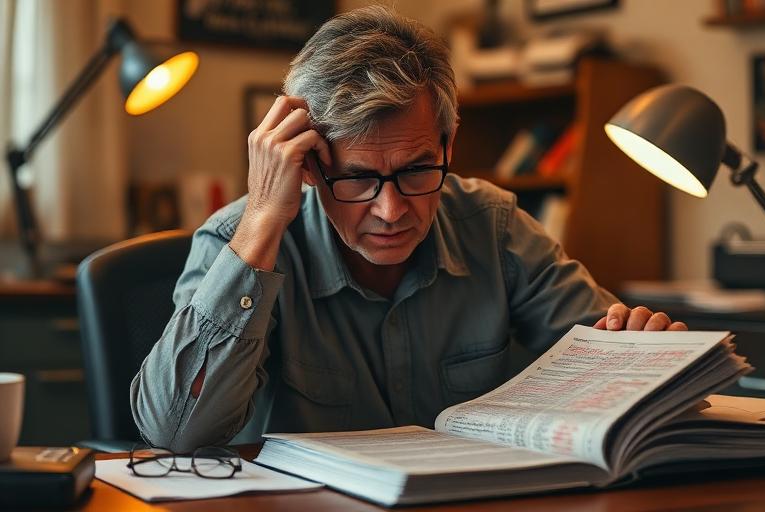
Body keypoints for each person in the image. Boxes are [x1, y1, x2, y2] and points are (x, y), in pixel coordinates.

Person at [130, 6, 686, 453]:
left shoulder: (493, 227)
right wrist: (259, 229)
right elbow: (175, 432)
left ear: (449, 143)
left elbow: (613, 377)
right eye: (357, 178)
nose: (392, 210)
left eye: (418, 170)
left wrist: (637, 360)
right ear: (309, 167)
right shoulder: (238, 238)